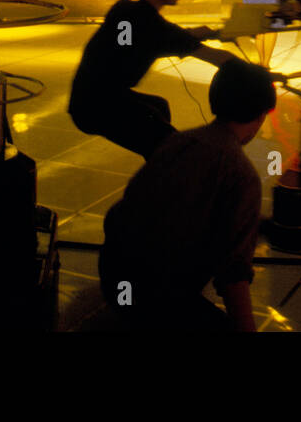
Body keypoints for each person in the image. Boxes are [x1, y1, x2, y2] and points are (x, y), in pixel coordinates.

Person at [99, 59, 276, 332]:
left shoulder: (176, 142)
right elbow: (233, 276)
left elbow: (121, 213)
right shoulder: (242, 175)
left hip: (114, 282)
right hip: (154, 301)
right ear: (262, 114)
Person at [68, 0, 235, 159]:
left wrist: (205, 33)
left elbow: (144, 37)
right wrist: (259, 75)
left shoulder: (125, 9)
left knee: (158, 107)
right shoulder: (153, 27)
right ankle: (161, 167)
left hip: (89, 97)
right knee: (176, 151)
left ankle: (157, 160)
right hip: (98, 107)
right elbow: (215, 57)